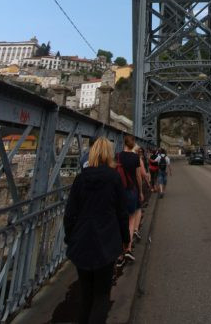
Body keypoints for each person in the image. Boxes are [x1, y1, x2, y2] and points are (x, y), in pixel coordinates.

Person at [64, 137, 130, 324]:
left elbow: (69, 215)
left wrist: (71, 239)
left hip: (81, 243)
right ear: (109, 154)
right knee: (101, 296)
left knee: (86, 297)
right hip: (106, 243)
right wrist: (125, 240)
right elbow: (121, 213)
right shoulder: (114, 178)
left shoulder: (80, 179)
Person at [117, 134, 144, 261]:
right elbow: (139, 177)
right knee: (131, 219)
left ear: (124, 143)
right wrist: (141, 191)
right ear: (133, 145)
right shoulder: (135, 157)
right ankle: (127, 248)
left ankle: (119, 251)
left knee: (119, 219)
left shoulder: (117, 156)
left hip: (119, 192)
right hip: (132, 191)